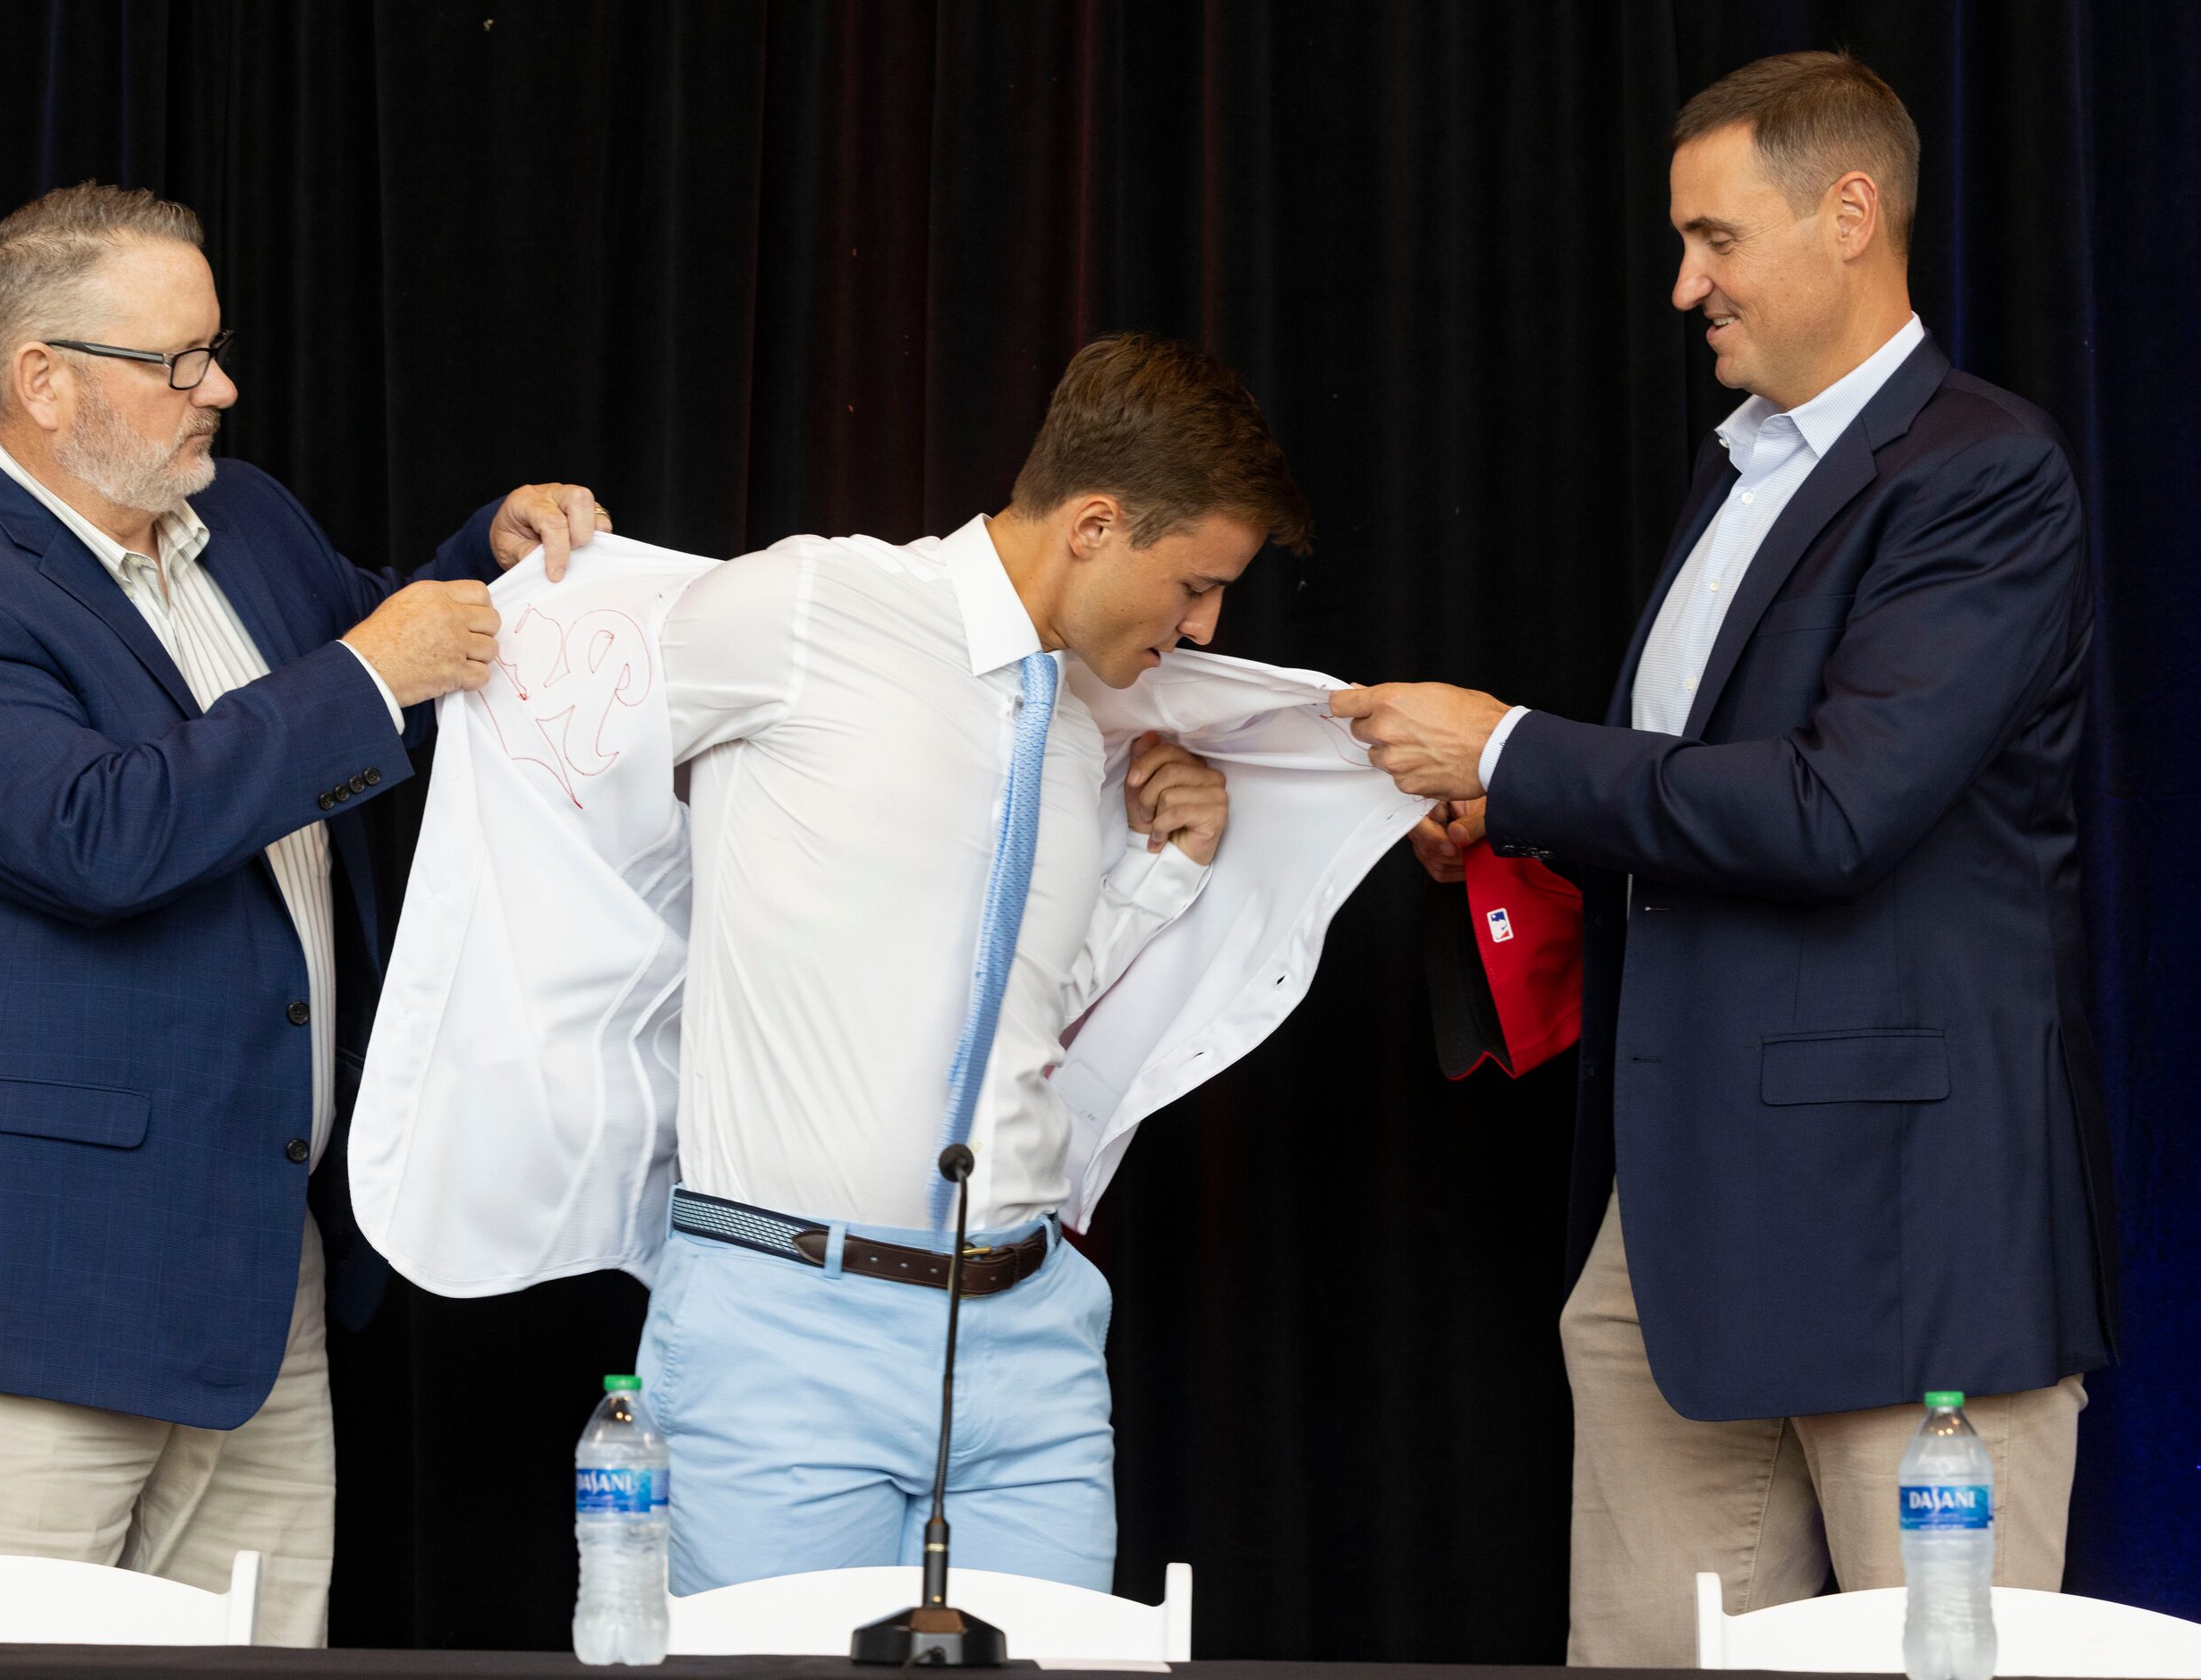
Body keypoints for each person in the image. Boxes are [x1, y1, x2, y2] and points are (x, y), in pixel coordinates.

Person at [1337, 54, 2115, 1665]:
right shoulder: (1743, 467)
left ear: (1849, 214)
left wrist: (1510, 747)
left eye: (1715, 239)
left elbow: (1837, 812)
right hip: (1671, 1223)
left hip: (1906, 1244)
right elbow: (1703, 797)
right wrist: (1517, 816)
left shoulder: (1985, 471)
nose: (1685, 285)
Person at [0, 182, 608, 1646]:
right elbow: (98, 830)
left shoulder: (236, 517)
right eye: (178, 362)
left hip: (250, 1290)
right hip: (25, 1303)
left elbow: (368, 636)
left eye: (214, 348)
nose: (221, 388)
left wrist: (483, 553)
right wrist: (377, 663)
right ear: (43, 381)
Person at [607, 333, 1313, 1593]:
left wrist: (1165, 872)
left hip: (1028, 1343)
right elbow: (566, 730)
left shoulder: (1079, 725)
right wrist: (514, 564)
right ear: (1094, 524)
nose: (1204, 626)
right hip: (784, 1324)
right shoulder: (810, 609)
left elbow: (1004, 999)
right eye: (1197, 583)